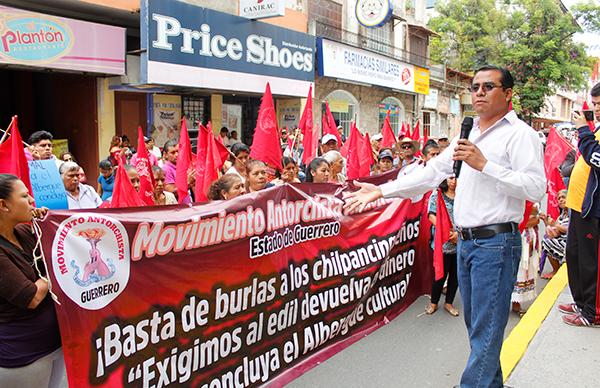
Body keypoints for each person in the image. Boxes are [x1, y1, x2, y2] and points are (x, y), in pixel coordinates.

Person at [344, 65, 546, 387]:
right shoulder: (467, 134)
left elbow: (535, 188)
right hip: (466, 243)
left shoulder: (521, 134)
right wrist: (382, 190)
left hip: (495, 243)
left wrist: (485, 165)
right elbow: (430, 173)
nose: (478, 92)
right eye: (475, 87)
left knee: (486, 331)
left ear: (507, 94)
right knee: (480, 330)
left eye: (488, 87)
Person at [0, 174, 64, 388]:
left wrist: (45, 223)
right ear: (3, 204)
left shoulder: (25, 230)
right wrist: (52, 274)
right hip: (23, 355)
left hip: (55, 344)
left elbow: (59, 249)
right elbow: (32, 297)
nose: (32, 201)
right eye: (25, 196)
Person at [560, 82, 600, 327]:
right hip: (578, 206)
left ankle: (592, 312)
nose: (596, 109)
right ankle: (581, 301)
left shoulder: (590, 131)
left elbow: (596, 158)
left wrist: (584, 130)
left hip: (594, 210)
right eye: (595, 104)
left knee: (590, 262)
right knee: (574, 256)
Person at [425, 177, 459, 317]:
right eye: (451, 178)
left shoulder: (463, 194)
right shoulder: (437, 193)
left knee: (455, 275)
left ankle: (449, 302)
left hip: (460, 240)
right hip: (442, 241)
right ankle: (433, 302)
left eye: (456, 178)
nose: (453, 182)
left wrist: (458, 234)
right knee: (440, 274)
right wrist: (445, 231)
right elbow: (431, 215)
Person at [511, 203, 541, 317]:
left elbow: (536, 218)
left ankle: (516, 302)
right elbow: (523, 221)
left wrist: (533, 217)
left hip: (530, 238)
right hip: (519, 237)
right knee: (516, 270)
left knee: (526, 270)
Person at [540, 189, 569, 279]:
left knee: (548, 242)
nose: (561, 200)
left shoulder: (573, 214)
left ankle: (556, 269)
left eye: (564, 197)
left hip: (570, 242)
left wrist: (556, 225)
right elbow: (554, 231)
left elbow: (571, 230)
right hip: (561, 241)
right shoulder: (562, 215)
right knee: (546, 241)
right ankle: (555, 269)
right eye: (559, 198)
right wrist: (545, 219)